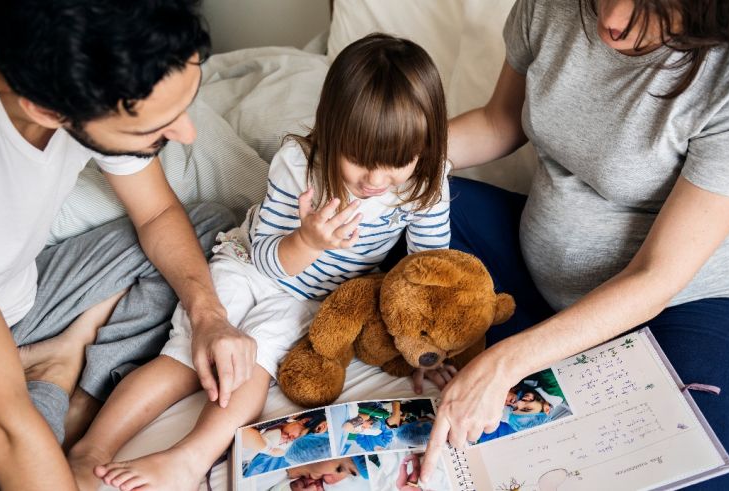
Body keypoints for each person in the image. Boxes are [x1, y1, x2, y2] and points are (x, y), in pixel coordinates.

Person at [422, 1, 729, 489]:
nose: (612, 17)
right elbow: (502, 121)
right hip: (545, 280)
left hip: (701, 306)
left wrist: (504, 362)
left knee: (694, 473)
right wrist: (383, 162)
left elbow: (658, 277)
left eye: (656, 5)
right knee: (397, 205)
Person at [69, 33, 452, 490]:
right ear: (331, 132)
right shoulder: (300, 164)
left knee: (251, 368)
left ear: (424, 149)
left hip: (309, 300)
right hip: (249, 264)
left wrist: (426, 347)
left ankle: (188, 459)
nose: (374, 179)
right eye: (358, 160)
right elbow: (268, 259)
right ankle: (89, 449)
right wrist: (308, 242)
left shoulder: (425, 182)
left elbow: (427, 269)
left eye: (397, 163)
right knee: (185, 359)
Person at [0, 1, 253, 489]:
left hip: (25, 301)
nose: (186, 134)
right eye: (152, 129)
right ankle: (60, 378)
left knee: (216, 234)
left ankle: (62, 371)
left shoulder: (82, 54)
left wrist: (208, 316)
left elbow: (158, 213)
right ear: (45, 109)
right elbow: (0, 428)